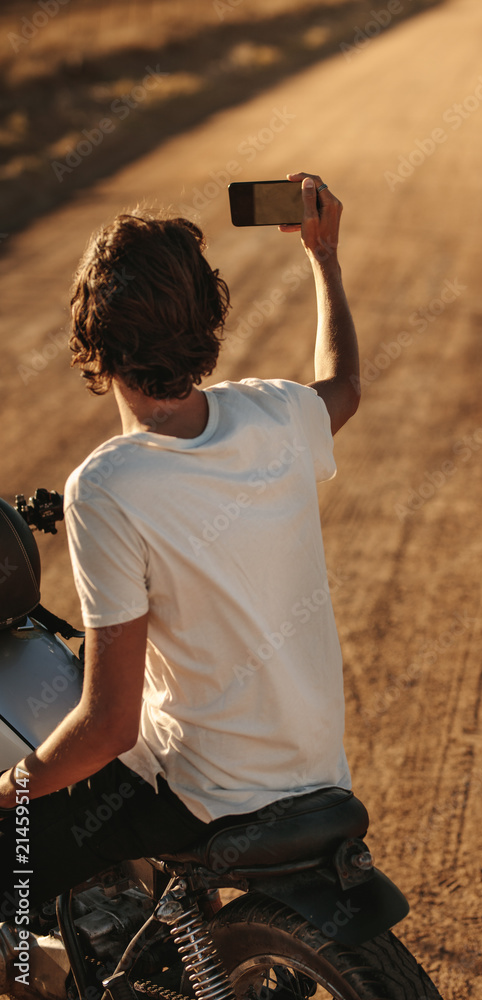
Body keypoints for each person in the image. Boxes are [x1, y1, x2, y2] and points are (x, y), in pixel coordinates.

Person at [0, 171, 360, 909]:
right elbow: (344, 384)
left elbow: (107, 727)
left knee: (15, 850)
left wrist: (10, 789)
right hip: (317, 768)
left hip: (205, 790)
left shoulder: (105, 487)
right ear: (208, 320)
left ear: (91, 340)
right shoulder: (277, 415)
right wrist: (322, 256)